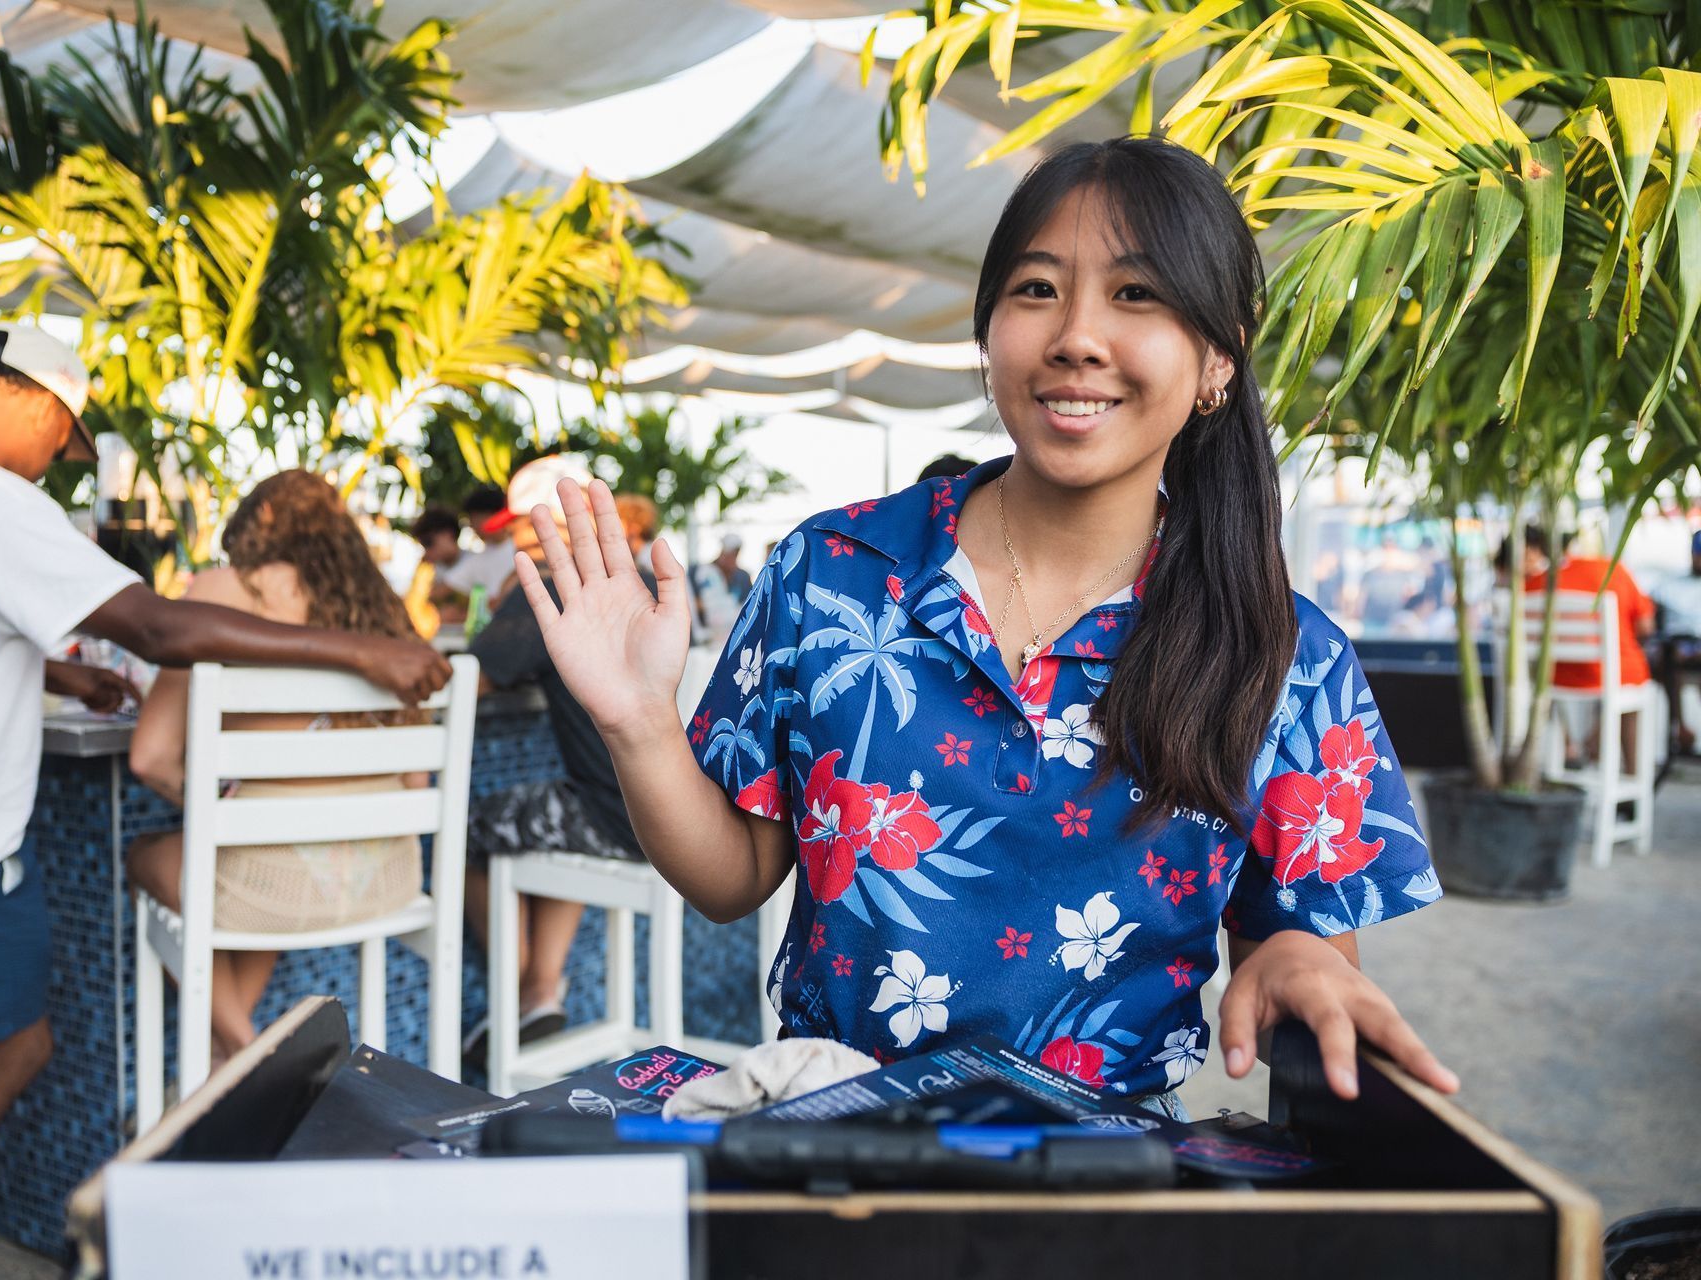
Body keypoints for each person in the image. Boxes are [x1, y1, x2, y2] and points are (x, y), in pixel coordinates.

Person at [508, 138, 1458, 1111]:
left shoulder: (1286, 654)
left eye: (1137, 295)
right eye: (1038, 289)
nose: (1077, 335)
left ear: (1218, 355)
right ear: (990, 329)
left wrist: (1303, 959)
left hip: (1099, 1183)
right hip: (833, 1143)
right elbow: (731, 877)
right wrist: (637, 720)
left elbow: (1298, 939)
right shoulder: (831, 575)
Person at [0, 324, 449, 1280]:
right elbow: (158, 624)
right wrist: (361, 650)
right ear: (41, 404)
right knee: (14, 1048)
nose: (56, 464)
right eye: (64, 443)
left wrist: (53, 667)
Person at [126, 471, 430, 1061]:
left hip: (273, 887)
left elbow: (149, 758)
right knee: (247, 861)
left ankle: (254, 1061)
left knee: (154, 857)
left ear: (261, 527)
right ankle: (227, 1066)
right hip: (387, 880)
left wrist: (239, 817)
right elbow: (416, 783)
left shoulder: (223, 591)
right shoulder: (388, 616)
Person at [458, 456, 650, 1069]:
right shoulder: (633, 585)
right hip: (667, 811)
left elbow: (474, 679)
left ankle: (519, 986)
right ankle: (542, 989)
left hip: (615, 814)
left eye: (528, 523)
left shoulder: (545, 584)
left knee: (470, 830)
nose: (516, 536)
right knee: (556, 809)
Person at [1515, 525, 1656, 770]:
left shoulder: (1533, 585)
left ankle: (1576, 746)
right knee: (1630, 679)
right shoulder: (1612, 569)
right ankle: (1632, 773)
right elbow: (1646, 628)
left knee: (1575, 678)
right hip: (1614, 674)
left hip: (1555, 677)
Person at [1651, 530, 1701, 754]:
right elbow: (1654, 622)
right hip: (1675, 650)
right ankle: (1680, 728)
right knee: (1668, 660)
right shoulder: (1671, 584)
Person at [689, 533, 751, 642]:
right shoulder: (703, 572)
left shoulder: (742, 577)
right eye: (727, 554)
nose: (730, 559)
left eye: (734, 555)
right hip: (707, 636)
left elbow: (748, 608)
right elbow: (695, 604)